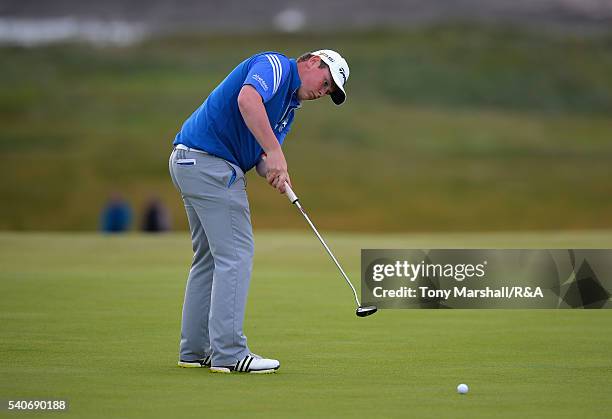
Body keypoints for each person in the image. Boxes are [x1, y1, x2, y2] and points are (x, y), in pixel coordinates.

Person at [168, 49, 350, 373]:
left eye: (329, 91)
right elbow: (247, 100)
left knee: (210, 258)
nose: (323, 92)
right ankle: (230, 353)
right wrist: (275, 151)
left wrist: (274, 170)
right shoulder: (276, 66)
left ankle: (194, 351)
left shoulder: (288, 110)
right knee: (236, 254)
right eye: (326, 82)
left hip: (191, 162)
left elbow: (260, 157)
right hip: (211, 164)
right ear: (311, 62)